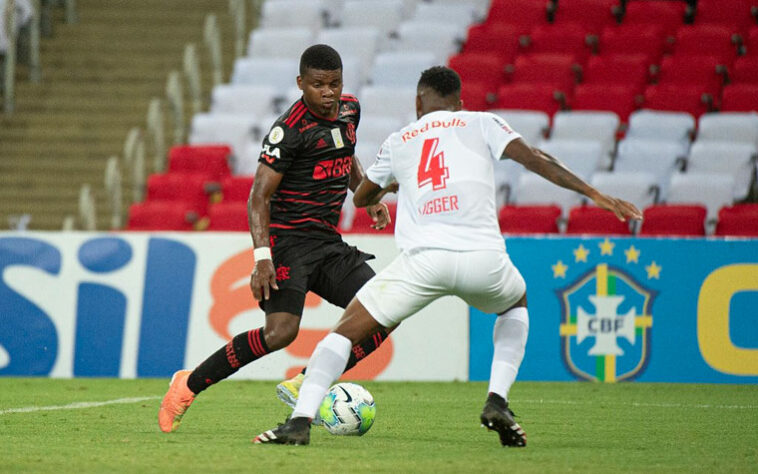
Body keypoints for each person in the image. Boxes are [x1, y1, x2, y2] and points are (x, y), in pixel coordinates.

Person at [253, 66, 642, 446]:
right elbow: (536, 159)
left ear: (419, 102)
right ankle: (497, 400)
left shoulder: (401, 138)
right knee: (515, 304)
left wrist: (388, 189)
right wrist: (596, 195)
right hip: (484, 260)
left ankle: (300, 422)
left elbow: (361, 196)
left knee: (342, 334)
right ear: (460, 103)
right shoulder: (482, 122)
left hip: (422, 264)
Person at [158, 44, 398, 433]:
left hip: (327, 241)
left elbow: (346, 152)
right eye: (318, 84)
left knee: (385, 309)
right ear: (301, 83)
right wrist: (262, 258)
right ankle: (188, 385)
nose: (329, 93)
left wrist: (366, 198)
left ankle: (308, 380)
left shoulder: (351, 110)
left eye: (335, 83)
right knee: (280, 333)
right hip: (289, 242)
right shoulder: (289, 130)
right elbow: (258, 197)